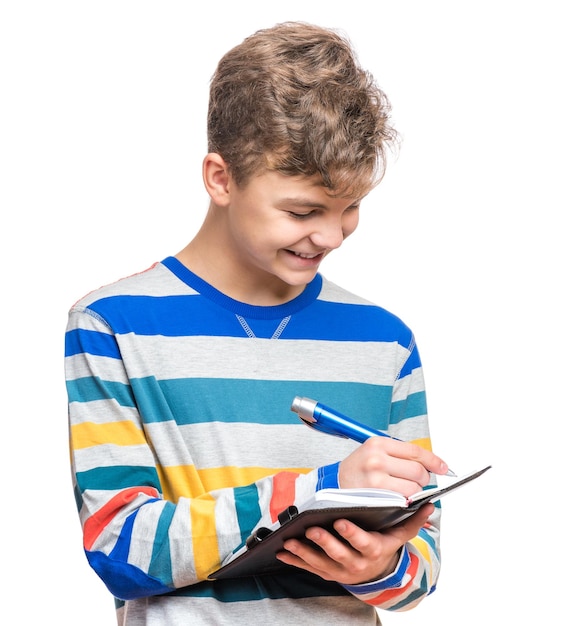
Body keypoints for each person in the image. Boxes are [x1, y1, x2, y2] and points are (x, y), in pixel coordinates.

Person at [65, 21, 452, 625]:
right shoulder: (113, 324)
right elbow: (119, 546)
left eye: (351, 209)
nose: (330, 235)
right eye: (303, 210)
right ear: (221, 178)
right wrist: (311, 493)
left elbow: (421, 567)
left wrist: (382, 566)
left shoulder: (385, 340)